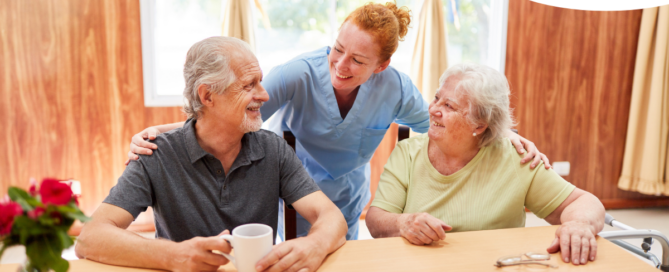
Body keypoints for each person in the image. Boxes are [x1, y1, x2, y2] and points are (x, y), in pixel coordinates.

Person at [125, 2, 551, 240]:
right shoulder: (298, 74)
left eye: (358, 59)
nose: (340, 65)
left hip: (347, 194)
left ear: (381, 66)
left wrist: (506, 136)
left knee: (339, 254)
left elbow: (445, 122)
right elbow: (232, 112)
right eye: (337, 49)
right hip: (290, 184)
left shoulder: (396, 88)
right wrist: (163, 133)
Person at [75, 37, 347, 272]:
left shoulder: (272, 150)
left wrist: (314, 244)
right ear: (207, 96)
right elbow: (90, 238)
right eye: (249, 85)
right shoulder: (156, 154)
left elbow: (331, 217)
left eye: (260, 82)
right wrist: (173, 255)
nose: (264, 95)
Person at [365, 63, 605, 266]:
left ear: (479, 126)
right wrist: (403, 223)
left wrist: (578, 224)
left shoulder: (514, 158)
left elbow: (583, 202)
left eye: (449, 106)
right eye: (437, 98)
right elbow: (376, 220)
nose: (434, 110)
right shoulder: (407, 154)